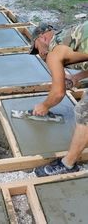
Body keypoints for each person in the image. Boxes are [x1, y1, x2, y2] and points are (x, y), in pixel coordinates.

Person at [29, 21, 88, 176]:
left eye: (36, 49)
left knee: (84, 112)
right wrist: (77, 77)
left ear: (42, 37)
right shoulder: (69, 37)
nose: (39, 53)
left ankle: (68, 164)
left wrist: (45, 106)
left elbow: (58, 93)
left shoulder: (54, 51)